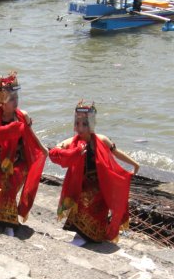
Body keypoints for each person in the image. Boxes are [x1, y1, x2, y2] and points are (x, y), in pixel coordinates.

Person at [49, 101, 139, 245]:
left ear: (91, 124)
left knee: (93, 203)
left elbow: (116, 153)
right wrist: (72, 152)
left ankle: (90, 236)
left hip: (101, 184)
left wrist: (134, 164)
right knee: (81, 201)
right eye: (78, 124)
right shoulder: (73, 142)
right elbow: (55, 152)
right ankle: (82, 236)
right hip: (81, 183)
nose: (80, 128)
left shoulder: (101, 140)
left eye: (84, 124)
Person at [0, 71, 48, 237]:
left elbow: (30, 134)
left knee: (8, 189)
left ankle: (10, 225)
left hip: (20, 160)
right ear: (2, 101)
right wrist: (5, 130)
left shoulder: (22, 115)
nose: (16, 102)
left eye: (16, 97)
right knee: (1, 191)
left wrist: (43, 149)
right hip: (1, 160)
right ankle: (4, 220)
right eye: (11, 98)